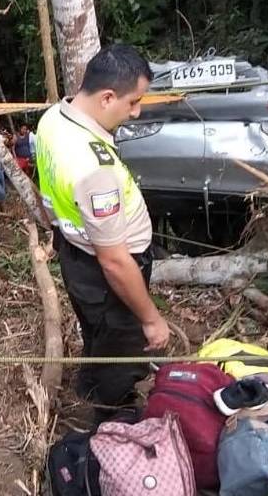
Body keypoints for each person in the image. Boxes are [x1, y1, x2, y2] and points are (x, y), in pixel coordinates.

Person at [37, 44, 170, 415]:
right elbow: (114, 261)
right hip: (107, 272)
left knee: (96, 330)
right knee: (121, 349)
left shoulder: (54, 118)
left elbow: (47, 189)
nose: (136, 111)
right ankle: (112, 417)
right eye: (133, 102)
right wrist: (151, 319)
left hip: (74, 253)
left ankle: (89, 381)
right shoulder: (93, 169)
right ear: (107, 97)